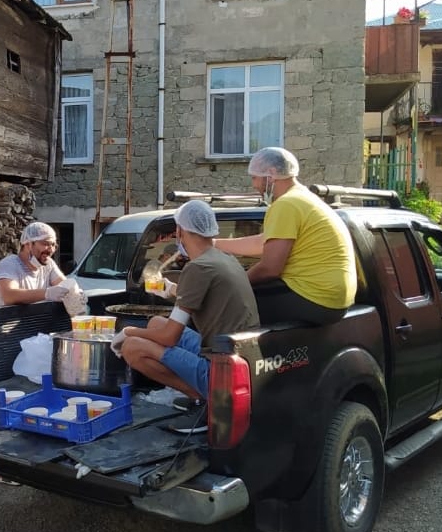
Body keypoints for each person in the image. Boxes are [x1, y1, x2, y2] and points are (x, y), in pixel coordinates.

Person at [115, 200, 258, 409]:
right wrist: (171, 289)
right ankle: (204, 395)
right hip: (240, 356)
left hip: (221, 369)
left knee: (131, 347)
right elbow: (203, 294)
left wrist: (129, 331)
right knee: (155, 322)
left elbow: (169, 338)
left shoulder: (197, 267)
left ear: (180, 231)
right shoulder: (224, 259)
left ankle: (206, 400)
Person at [216, 147, 357, 326]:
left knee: (225, 305)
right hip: (333, 300)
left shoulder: (286, 204)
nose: (253, 185)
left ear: (271, 174)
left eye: (254, 177)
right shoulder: (303, 197)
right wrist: (214, 244)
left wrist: (236, 283)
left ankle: (211, 353)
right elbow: (263, 242)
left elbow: (269, 268)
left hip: (314, 297)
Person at [0, 222, 75, 307]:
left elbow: (65, 285)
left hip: (33, 319)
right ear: (28, 244)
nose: (51, 250)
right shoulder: (10, 264)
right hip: (6, 319)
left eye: (53, 245)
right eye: (45, 243)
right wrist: (47, 293)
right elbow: (9, 296)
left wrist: (75, 293)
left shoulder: (48, 264)